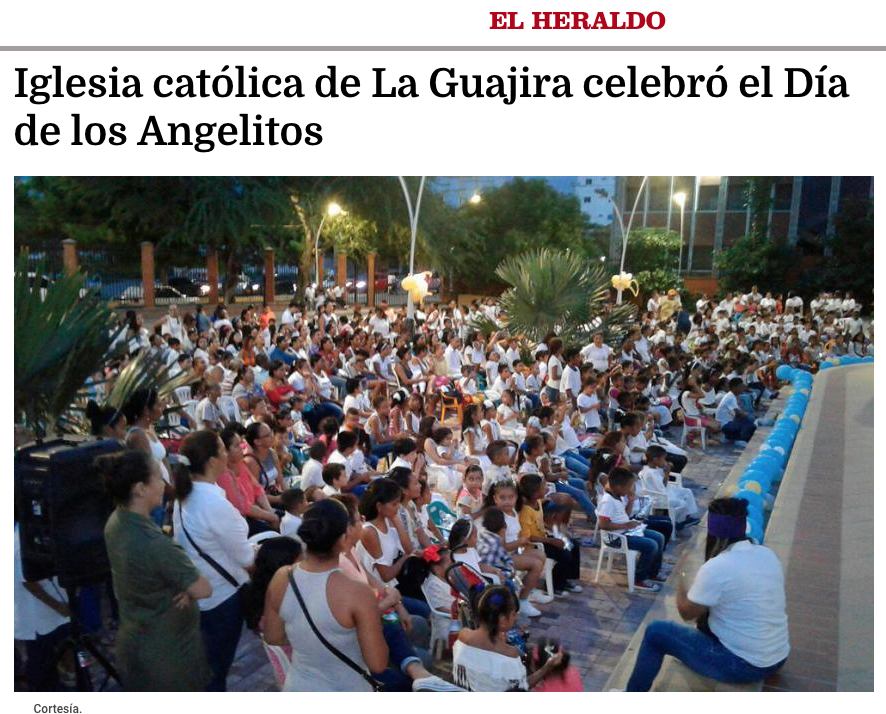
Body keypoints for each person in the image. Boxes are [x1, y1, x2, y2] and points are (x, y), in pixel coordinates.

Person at [625, 498, 789, 691]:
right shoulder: (766, 554)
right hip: (777, 656)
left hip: (743, 665)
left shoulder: (718, 566)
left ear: (713, 533)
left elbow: (687, 614)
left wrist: (681, 579)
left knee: (655, 632)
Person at [99, 450, 213, 691]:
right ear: (140, 489)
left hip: (136, 642)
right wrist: (189, 589)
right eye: (158, 478)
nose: (164, 484)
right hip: (168, 659)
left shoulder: (115, 521)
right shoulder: (154, 543)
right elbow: (203, 588)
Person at [262, 499, 389, 691]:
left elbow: (272, 636)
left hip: (299, 686)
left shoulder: (282, 577)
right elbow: (378, 663)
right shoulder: (357, 592)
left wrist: (308, 642)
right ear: (344, 537)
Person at [172, 430, 255, 691]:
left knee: (211, 668)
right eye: (222, 449)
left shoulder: (186, 497)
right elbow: (244, 557)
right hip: (224, 599)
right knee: (215, 673)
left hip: (207, 594)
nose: (228, 453)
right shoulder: (212, 503)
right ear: (211, 462)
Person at [452, 585, 564, 691]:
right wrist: (547, 667)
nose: (516, 618)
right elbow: (522, 687)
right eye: (514, 614)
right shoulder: (509, 653)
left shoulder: (464, 635)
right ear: (502, 620)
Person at [15, 519, 71, 692]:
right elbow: (28, 582)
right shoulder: (20, 542)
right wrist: (58, 607)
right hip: (39, 620)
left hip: (60, 612)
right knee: (41, 667)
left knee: (76, 650)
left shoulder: (47, 531)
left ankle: (74, 676)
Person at [595, 467, 667, 592]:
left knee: (659, 537)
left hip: (626, 531)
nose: (631, 489)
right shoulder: (608, 501)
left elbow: (625, 515)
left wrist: (631, 502)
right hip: (616, 538)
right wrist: (625, 526)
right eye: (629, 486)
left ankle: (653, 572)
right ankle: (639, 578)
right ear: (618, 486)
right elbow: (602, 525)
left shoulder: (618, 496)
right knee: (651, 545)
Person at [217, 426, 280, 536]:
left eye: (241, 443)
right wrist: (271, 516)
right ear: (225, 451)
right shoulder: (223, 475)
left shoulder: (241, 464)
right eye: (237, 445)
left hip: (256, 511)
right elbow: (243, 506)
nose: (242, 447)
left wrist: (270, 512)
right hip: (243, 521)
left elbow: (258, 490)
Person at [716, 377, 756, 447]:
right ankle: (740, 440)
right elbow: (738, 413)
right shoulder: (730, 397)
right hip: (724, 424)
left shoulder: (733, 396)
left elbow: (739, 412)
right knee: (749, 423)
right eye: (740, 387)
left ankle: (733, 437)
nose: (742, 389)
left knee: (749, 422)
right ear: (734, 388)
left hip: (729, 421)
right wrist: (749, 416)